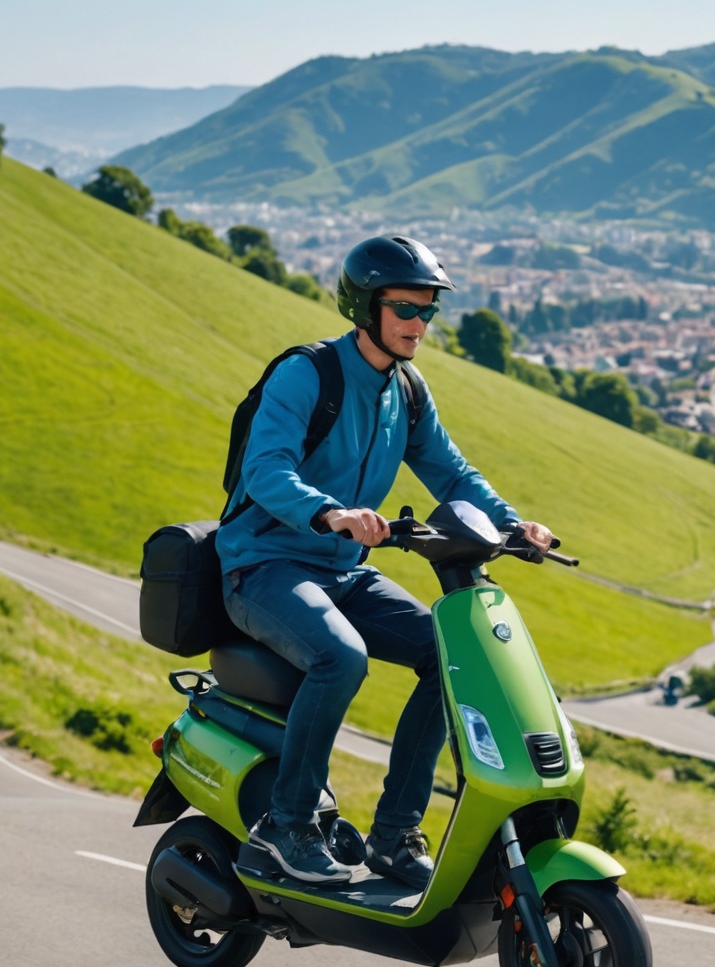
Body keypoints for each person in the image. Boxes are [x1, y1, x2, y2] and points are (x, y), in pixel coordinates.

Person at [219, 235, 554, 887]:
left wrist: (514, 524)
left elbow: (452, 472)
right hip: (264, 566)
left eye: (428, 312)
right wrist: (331, 513)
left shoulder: (408, 389)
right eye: (406, 309)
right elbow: (265, 470)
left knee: (449, 654)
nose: (419, 325)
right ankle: (287, 825)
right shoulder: (307, 374)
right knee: (341, 656)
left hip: (341, 572)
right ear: (366, 306)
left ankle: (395, 834)